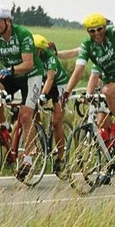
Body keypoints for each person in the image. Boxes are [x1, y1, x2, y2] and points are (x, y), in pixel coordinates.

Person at [63, 0, 115, 148]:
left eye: (99, 29)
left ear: (104, 28)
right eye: (92, 31)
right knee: (102, 119)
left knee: (114, 98)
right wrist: (67, 92)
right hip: (114, 83)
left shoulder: (112, 33)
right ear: (88, 32)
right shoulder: (88, 45)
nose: (97, 33)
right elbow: (79, 69)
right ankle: (112, 158)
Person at [0, 3, 42, 175]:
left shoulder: (23, 34)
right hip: (10, 73)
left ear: (8, 21)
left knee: (26, 116)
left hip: (30, 75)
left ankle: (28, 159)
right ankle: (4, 125)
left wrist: (10, 69)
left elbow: (28, 63)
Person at [34, 34, 69, 172]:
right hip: (46, 83)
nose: (33, 53)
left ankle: (60, 159)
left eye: (36, 51)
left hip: (59, 84)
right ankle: (39, 131)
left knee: (56, 122)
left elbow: (50, 79)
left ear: (42, 50)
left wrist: (42, 96)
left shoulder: (50, 58)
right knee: (31, 109)